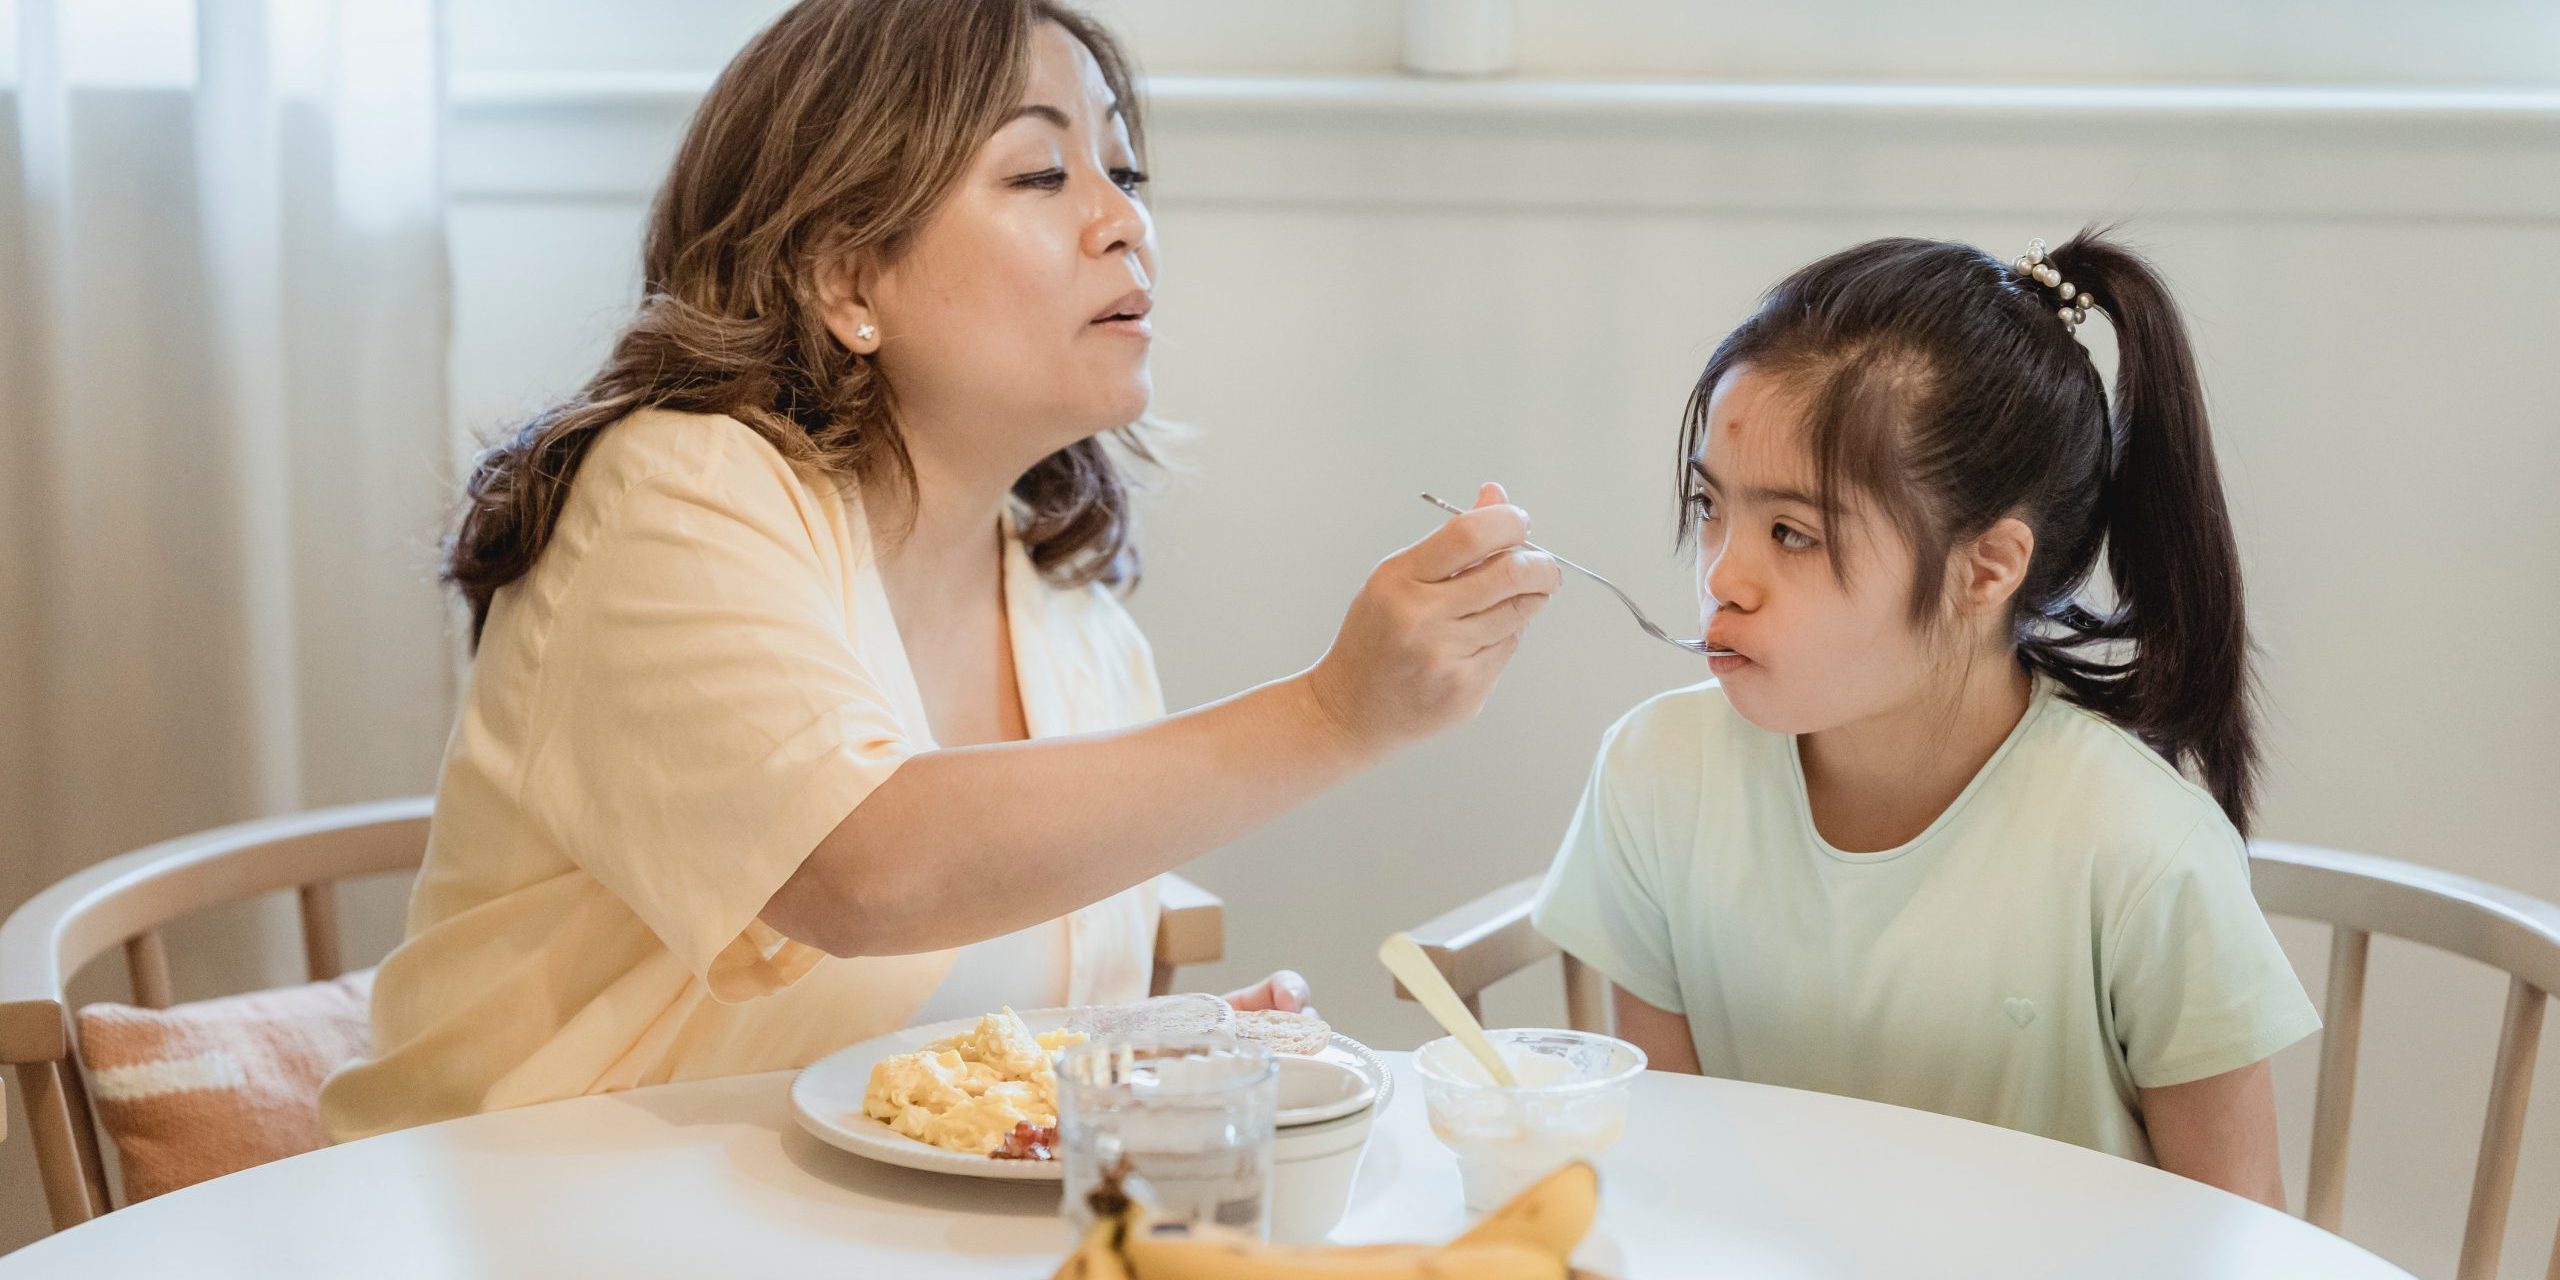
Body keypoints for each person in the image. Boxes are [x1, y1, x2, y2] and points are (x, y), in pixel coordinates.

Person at [320, 0, 1560, 1141]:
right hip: (528, 1228)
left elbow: (963, 1042)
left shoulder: (1070, 614)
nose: (1121, 216)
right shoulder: (670, 493)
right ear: (847, 277)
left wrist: (1162, 1052)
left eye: (1123, 170)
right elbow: (863, 870)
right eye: (1039, 170)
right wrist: (1332, 712)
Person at [1530, 230, 2319, 1206]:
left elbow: (2241, 1239)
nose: (1722, 575)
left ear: (1986, 568)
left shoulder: (2139, 851)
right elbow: (1669, 1173)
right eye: (1709, 505)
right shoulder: (1655, 774)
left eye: (1791, 532)